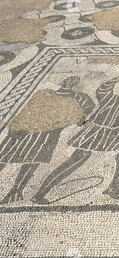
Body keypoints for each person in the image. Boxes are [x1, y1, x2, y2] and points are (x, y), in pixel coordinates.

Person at [31, 70, 119, 204]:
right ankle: (41, 192)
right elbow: (103, 89)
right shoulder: (111, 97)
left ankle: (115, 186)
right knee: (77, 159)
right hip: (98, 129)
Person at [0, 76, 95, 204]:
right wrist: (16, 126)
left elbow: (82, 115)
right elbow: (28, 109)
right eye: (69, 79)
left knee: (31, 160)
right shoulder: (45, 93)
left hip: (43, 134)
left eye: (74, 81)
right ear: (63, 81)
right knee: (7, 157)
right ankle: (15, 191)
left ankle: (16, 191)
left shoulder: (79, 98)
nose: (70, 82)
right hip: (26, 129)